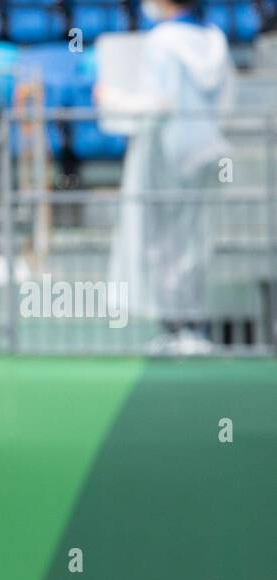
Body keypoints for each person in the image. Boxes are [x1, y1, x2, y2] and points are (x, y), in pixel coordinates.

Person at [102, 0, 234, 353]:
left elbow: (159, 103)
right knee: (194, 241)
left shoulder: (162, 41)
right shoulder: (214, 41)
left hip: (167, 155)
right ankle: (187, 327)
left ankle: (180, 327)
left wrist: (112, 99)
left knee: (163, 243)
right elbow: (226, 100)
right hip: (207, 150)